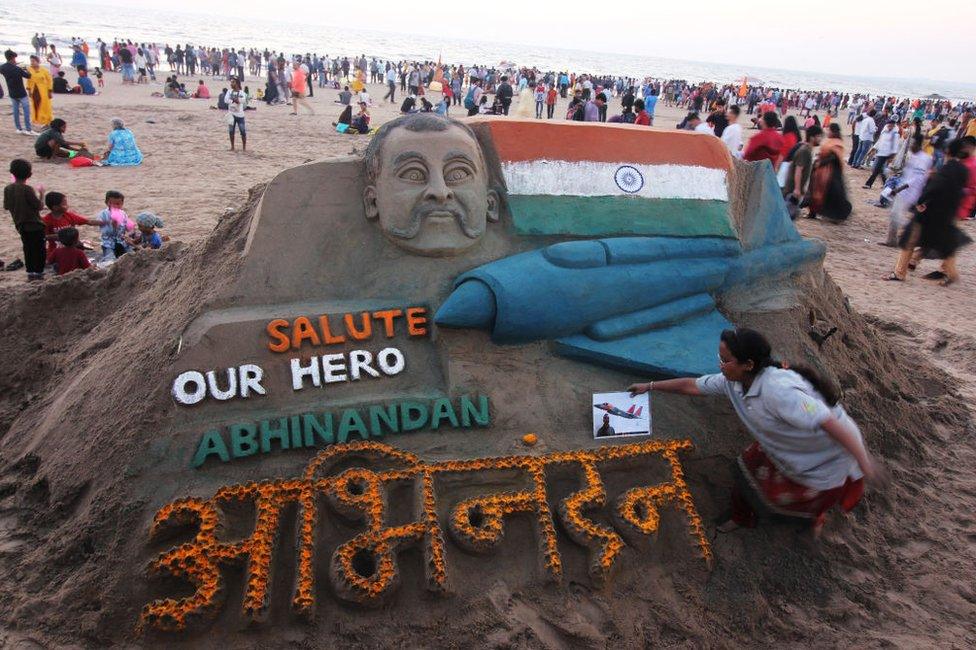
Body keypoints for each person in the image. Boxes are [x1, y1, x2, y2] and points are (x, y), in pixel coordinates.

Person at [628, 328, 879, 534]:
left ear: (748, 364)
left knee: (793, 503)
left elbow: (832, 423)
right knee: (744, 473)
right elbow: (691, 386)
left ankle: (812, 520)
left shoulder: (780, 390)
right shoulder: (733, 381)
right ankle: (741, 517)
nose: (721, 366)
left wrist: (864, 462)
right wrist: (649, 386)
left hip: (819, 458)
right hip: (779, 445)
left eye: (725, 361)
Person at [885, 138, 972, 286]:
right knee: (946, 245)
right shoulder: (963, 170)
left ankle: (899, 273)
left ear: (947, 152)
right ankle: (952, 273)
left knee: (909, 240)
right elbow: (960, 191)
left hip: (930, 213)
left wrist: (921, 201)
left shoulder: (945, 170)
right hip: (948, 214)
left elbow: (935, 188)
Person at [883, 134, 931, 246]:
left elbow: (916, 179)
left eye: (913, 144)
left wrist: (898, 189)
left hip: (909, 192)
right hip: (904, 190)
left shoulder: (923, 159)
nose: (910, 146)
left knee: (896, 215)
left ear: (918, 145)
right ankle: (892, 240)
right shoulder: (914, 157)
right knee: (894, 214)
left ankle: (910, 234)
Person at [3, 159, 46, 280]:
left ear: (12, 173)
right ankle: (38, 272)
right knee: (39, 249)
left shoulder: (8, 189)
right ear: (29, 175)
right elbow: (39, 206)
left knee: (28, 248)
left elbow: (6, 206)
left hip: (20, 224)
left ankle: (30, 271)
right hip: (35, 224)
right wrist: (42, 194)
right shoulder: (27, 189)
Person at [807, 123, 851, 222]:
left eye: (829, 130)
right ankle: (814, 212)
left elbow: (834, 157)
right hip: (823, 172)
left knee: (829, 194)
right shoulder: (830, 141)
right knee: (817, 191)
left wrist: (821, 163)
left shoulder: (837, 143)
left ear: (833, 131)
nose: (827, 132)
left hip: (831, 173)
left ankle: (834, 215)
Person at [42, 191, 99, 256]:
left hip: (73, 249)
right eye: (64, 204)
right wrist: (60, 236)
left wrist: (106, 222)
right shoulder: (46, 220)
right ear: (55, 207)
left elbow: (89, 222)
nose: (67, 206)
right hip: (57, 252)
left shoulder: (69, 216)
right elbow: (42, 237)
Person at [783, 125, 822, 218]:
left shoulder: (807, 150)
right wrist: (797, 188)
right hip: (792, 190)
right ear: (812, 137)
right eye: (819, 136)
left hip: (795, 189)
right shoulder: (805, 151)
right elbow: (798, 170)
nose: (820, 139)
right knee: (787, 216)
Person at [1, 49, 35, 135]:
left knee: (16, 111)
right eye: (14, 58)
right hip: (21, 93)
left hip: (12, 92)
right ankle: (28, 129)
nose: (15, 60)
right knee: (26, 111)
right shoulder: (17, 69)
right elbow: (29, 76)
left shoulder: (2, 67)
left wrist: (14, 66)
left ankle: (18, 129)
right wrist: (25, 68)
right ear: (12, 58)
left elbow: (7, 68)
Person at [95, 190, 132, 262]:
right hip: (108, 243)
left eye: (118, 204)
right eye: (112, 204)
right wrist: (112, 225)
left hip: (122, 242)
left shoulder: (123, 213)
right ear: (107, 203)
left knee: (130, 257)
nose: (115, 206)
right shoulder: (103, 214)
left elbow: (128, 227)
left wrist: (128, 234)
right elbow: (104, 230)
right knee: (110, 259)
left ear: (122, 204)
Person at [864, 119, 900, 189]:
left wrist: (892, 156)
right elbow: (879, 141)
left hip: (887, 154)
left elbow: (895, 146)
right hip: (880, 153)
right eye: (888, 124)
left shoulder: (895, 134)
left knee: (876, 169)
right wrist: (873, 149)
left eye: (891, 125)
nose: (889, 126)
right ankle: (886, 184)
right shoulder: (884, 132)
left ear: (893, 126)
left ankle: (868, 184)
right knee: (880, 170)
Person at [26, 55, 53, 128]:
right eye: (31, 61)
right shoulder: (29, 69)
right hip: (33, 90)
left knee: (44, 105)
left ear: (38, 62)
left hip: (43, 90)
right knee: (35, 104)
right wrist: (28, 90)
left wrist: (50, 90)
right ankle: (37, 120)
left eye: (33, 61)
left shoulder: (44, 70)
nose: (32, 63)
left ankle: (46, 121)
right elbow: (28, 80)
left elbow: (49, 80)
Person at [225, 78, 247, 151]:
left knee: (243, 131)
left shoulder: (241, 92)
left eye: (233, 82)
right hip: (231, 114)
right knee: (231, 131)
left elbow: (243, 100)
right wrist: (235, 100)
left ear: (237, 83)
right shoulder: (229, 91)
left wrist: (233, 100)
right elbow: (226, 100)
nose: (231, 84)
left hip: (240, 115)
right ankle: (232, 147)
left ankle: (244, 147)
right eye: (231, 82)